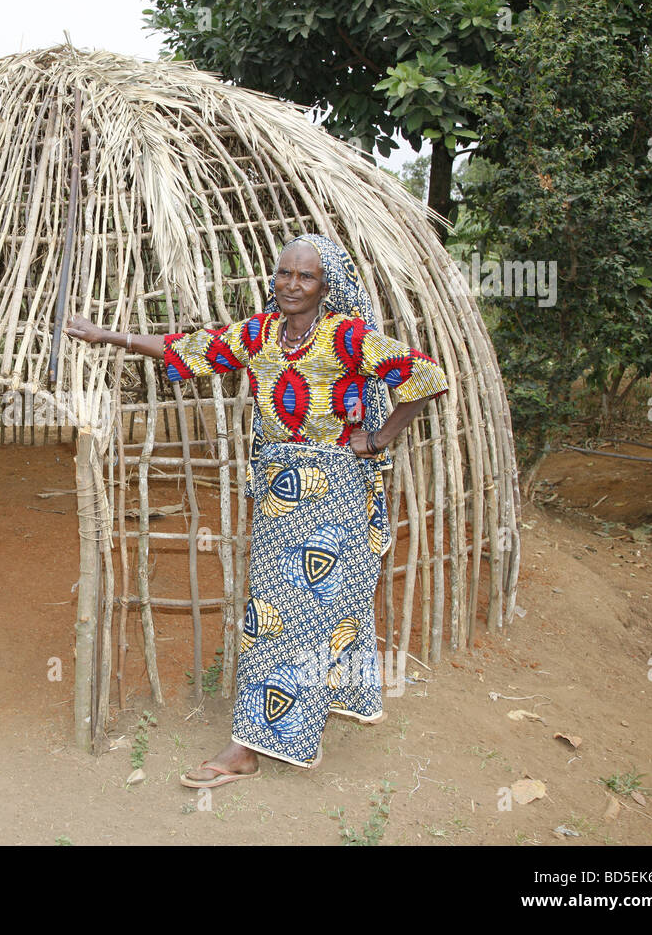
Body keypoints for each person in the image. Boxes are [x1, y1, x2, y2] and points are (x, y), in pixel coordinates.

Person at [63, 233, 448, 786]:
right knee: (283, 610)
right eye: (284, 273)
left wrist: (381, 436)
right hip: (278, 494)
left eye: (306, 276)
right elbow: (190, 350)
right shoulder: (260, 333)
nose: (292, 285)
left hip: (334, 494)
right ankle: (308, 709)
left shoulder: (346, 338)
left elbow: (427, 377)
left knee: (288, 617)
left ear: (325, 284)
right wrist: (108, 336)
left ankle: (249, 744)